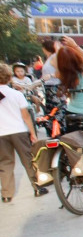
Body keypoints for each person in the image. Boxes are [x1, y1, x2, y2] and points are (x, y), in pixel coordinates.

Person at [0, 63, 47, 202]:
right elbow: (25, 116)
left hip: (1, 133)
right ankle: (37, 187)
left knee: (5, 163)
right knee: (28, 159)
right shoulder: (16, 94)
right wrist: (32, 132)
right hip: (19, 131)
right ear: (9, 78)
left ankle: (7, 194)